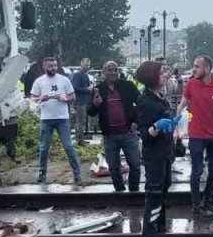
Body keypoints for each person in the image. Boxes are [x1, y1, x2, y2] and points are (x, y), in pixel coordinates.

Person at [136, 60, 179, 237]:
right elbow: (145, 134)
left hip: (165, 153)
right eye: (161, 73)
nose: (165, 75)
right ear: (151, 77)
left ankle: (157, 233)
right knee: (153, 199)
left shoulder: (160, 98)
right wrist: (157, 126)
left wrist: (174, 126)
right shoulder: (145, 101)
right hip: (154, 157)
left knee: (162, 194)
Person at [178, 55, 213, 216]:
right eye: (194, 66)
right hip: (196, 136)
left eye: (197, 66)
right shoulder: (191, 84)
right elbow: (181, 106)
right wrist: (177, 129)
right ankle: (196, 205)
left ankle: (208, 201)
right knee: (197, 171)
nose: (194, 69)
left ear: (207, 69)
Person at [88, 60, 141, 193]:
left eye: (115, 70)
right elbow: (90, 112)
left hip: (128, 132)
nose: (113, 72)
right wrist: (95, 104)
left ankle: (134, 191)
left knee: (135, 164)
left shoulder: (127, 86)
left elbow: (141, 104)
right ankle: (120, 192)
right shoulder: (98, 89)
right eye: (109, 70)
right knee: (113, 167)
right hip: (110, 135)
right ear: (103, 72)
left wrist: (136, 121)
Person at [29, 56, 82, 184]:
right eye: (50, 66)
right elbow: (32, 99)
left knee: (68, 146)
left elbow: (73, 96)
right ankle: (42, 172)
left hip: (62, 118)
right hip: (46, 119)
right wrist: (42, 97)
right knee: (44, 148)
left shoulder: (64, 80)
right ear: (44, 67)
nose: (53, 68)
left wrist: (64, 98)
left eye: (55, 66)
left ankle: (77, 173)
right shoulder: (39, 81)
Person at [70, 58, 94, 145]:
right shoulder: (78, 75)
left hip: (83, 101)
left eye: (89, 65)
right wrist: (87, 89)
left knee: (82, 120)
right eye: (86, 65)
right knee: (80, 121)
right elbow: (74, 88)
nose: (88, 66)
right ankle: (79, 140)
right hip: (79, 101)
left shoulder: (84, 74)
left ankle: (80, 139)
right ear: (81, 64)